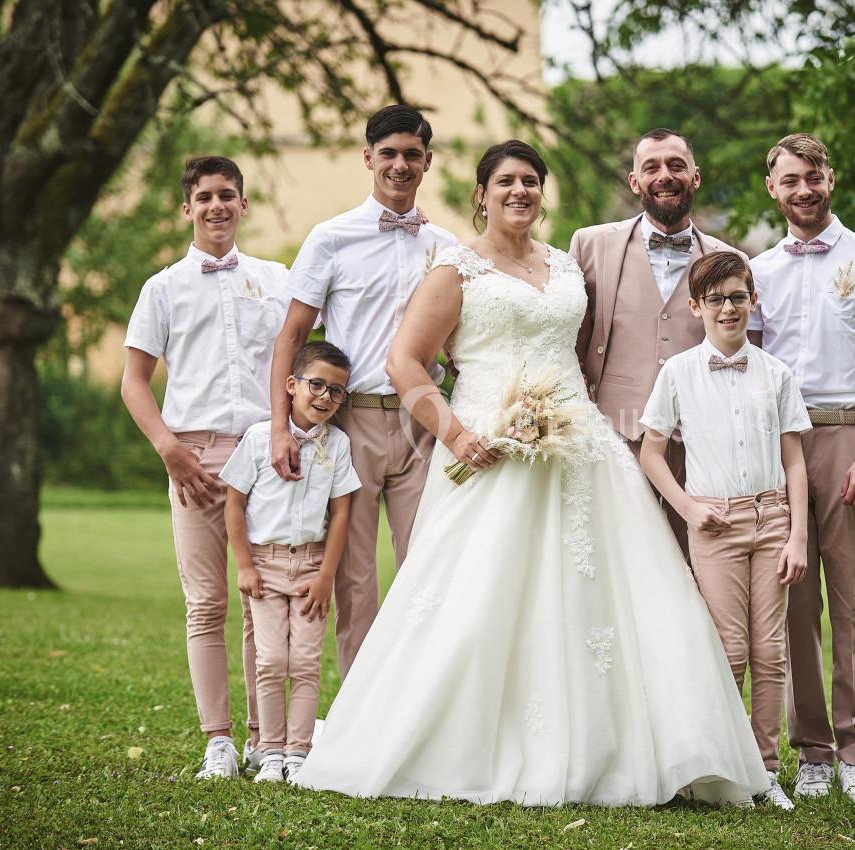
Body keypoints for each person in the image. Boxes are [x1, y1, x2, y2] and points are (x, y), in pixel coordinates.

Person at [292, 141, 768, 806]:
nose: (520, 192)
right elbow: (406, 361)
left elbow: (574, 353)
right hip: (487, 450)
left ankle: (639, 748)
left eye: (531, 182)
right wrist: (456, 433)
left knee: (610, 600)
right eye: (506, 181)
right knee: (477, 600)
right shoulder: (454, 268)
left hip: (582, 450)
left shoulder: (566, 264)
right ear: (481, 195)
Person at [750, 133, 855, 807]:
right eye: (790, 180)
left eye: (813, 177)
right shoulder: (755, 269)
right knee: (793, 607)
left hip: (848, 438)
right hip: (781, 445)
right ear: (773, 189)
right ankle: (811, 751)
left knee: (853, 606)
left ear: (831, 179)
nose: (803, 190)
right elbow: (750, 368)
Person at [270, 105, 458, 678]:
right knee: (354, 577)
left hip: (423, 424)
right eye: (390, 153)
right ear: (368, 157)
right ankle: (359, 711)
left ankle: (420, 704)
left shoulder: (448, 247)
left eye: (412, 155)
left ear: (427, 162)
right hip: (347, 426)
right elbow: (294, 335)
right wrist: (282, 426)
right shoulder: (330, 238)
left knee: (427, 563)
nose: (400, 165)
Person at [121, 155, 289, 778]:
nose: (217, 206)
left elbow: (306, 360)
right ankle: (216, 740)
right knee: (206, 603)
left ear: (244, 205)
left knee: (262, 600)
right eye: (205, 196)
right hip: (190, 455)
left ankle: (262, 738)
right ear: (186, 207)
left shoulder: (277, 278)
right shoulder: (162, 288)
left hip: (264, 457)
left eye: (229, 195)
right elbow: (135, 382)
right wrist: (168, 448)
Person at [639, 251, 812, 810]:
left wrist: (798, 537)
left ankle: (766, 771)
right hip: (714, 522)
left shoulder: (777, 373)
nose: (728, 308)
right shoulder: (678, 373)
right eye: (715, 299)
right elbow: (652, 452)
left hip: (772, 519)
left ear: (752, 300)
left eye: (737, 296)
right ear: (696, 307)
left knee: (770, 650)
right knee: (729, 649)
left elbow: (795, 461)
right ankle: (720, 765)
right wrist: (688, 507)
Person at [570, 128, 746, 559]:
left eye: (675, 165)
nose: (664, 175)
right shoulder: (589, 244)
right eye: (651, 167)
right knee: (617, 564)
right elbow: (568, 338)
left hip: (701, 444)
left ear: (696, 177)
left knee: (693, 569)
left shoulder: (728, 258)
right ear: (635, 182)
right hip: (615, 435)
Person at [220, 342, 360, 783]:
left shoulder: (338, 444)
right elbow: (233, 505)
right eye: (316, 384)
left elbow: (340, 515)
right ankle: (269, 751)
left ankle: (298, 753)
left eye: (336, 391)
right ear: (291, 384)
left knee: (303, 661)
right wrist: (244, 566)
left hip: (311, 567)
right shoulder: (260, 439)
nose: (324, 397)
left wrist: (325, 577)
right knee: (269, 661)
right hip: (264, 565)